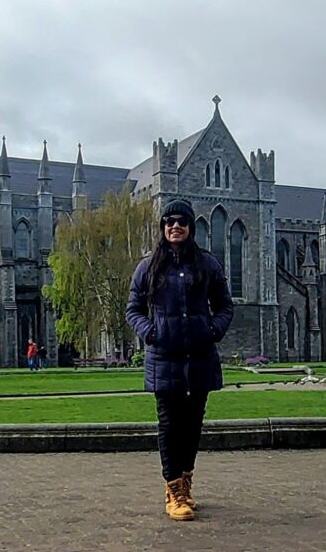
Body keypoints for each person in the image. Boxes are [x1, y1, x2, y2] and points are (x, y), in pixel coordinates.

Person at [125, 198, 234, 522]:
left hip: (199, 356)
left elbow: (225, 306)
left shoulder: (208, 265)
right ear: (163, 227)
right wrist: (151, 333)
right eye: (169, 221)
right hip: (164, 358)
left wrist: (212, 330)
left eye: (182, 221)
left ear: (190, 227)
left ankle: (185, 484)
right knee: (170, 425)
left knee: (192, 426)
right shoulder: (148, 266)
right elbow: (133, 309)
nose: (175, 226)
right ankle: (173, 490)